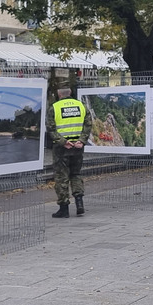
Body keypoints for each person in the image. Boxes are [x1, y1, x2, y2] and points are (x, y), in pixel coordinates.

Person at [47, 87, 91, 218]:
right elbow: (88, 125)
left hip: (61, 148)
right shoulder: (81, 106)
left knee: (61, 177)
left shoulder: (54, 108)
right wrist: (82, 140)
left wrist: (63, 142)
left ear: (59, 94)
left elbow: (50, 128)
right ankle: (79, 203)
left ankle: (64, 208)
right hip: (77, 147)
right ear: (70, 93)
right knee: (76, 174)